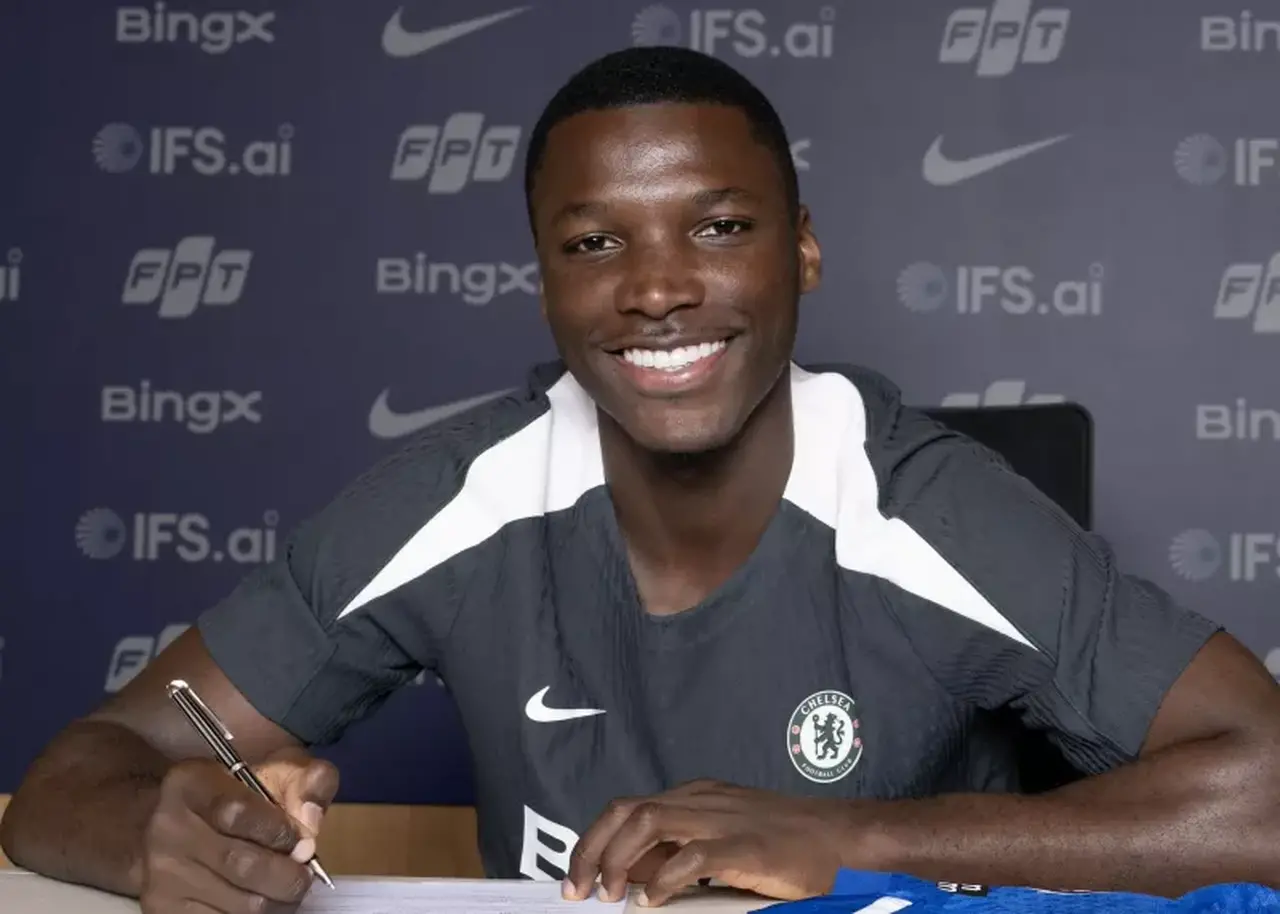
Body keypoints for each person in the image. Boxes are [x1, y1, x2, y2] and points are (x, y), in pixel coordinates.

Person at [4, 44, 1280, 914]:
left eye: (718, 227)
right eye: (592, 242)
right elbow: (78, 774)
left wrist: (848, 837)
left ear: (802, 250)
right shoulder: (466, 495)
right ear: (543, 282)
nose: (657, 286)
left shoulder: (921, 506)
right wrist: (166, 833)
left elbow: (1266, 792)